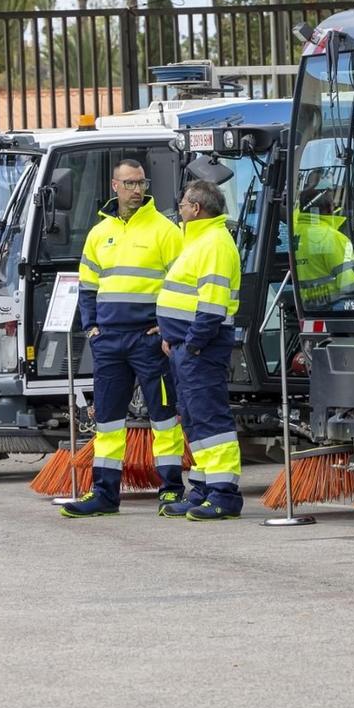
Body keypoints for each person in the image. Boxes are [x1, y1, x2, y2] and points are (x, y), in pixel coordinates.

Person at [62, 158, 187, 519]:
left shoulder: (165, 230)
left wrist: (166, 328)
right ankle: (104, 494)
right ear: (114, 186)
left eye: (141, 183)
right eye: (129, 184)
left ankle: (172, 490)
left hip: (148, 339)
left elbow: (182, 284)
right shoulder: (99, 233)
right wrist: (92, 329)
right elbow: (87, 286)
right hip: (110, 341)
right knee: (108, 421)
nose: (137, 190)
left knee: (164, 418)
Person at [156, 178, 244, 520]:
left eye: (182, 205)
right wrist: (173, 337)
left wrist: (191, 344)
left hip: (200, 348)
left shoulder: (215, 244)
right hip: (185, 346)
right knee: (194, 420)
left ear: (195, 208)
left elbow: (212, 306)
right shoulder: (199, 241)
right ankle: (204, 488)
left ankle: (224, 494)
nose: (179, 211)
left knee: (210, 420)